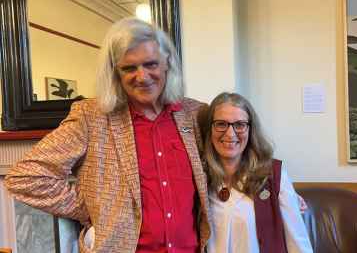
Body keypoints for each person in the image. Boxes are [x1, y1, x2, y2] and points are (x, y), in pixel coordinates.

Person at [5, 18, 209, 253]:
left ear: (167, 63)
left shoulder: (194, 114)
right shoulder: (91, 117)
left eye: (151, 64)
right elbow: (25, 177)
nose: (142, 77)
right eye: (129, 68)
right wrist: (91, 210)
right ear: (115, 73)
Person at [202, 92, 313, 253]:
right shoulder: (199, 179)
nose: (230, 133)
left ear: (250, 130)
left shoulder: (274, 175)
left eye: (239, 124)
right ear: (210, 129)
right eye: (221, 124)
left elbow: (297, 243)